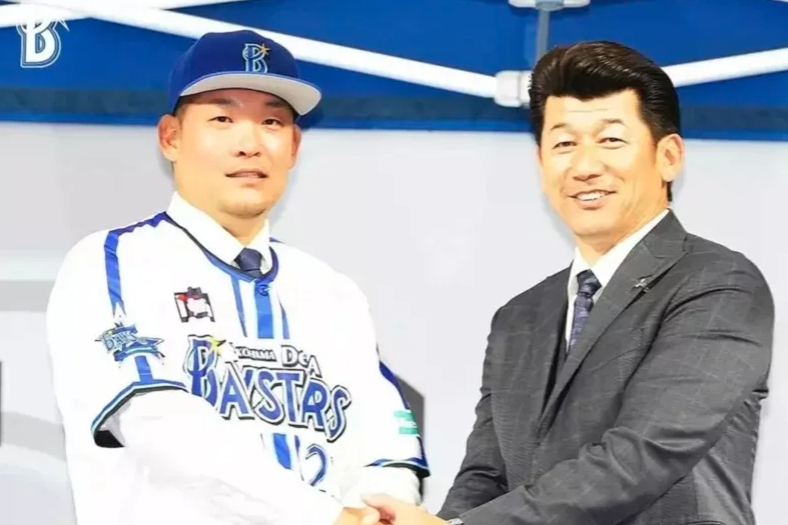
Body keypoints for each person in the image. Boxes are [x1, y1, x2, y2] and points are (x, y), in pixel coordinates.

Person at [363, 41, 774, 525]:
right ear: (541, 164)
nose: (584, 166)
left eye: (611, 140)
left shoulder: (718, 284)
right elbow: (486, 475)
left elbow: (642, 455)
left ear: (668, 156)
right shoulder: (520, 316)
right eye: (564, 144)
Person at [45, 29, 429, 525]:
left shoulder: (331, 291)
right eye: (222, 119)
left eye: (271, 121)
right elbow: (157, 426)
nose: (249, 144)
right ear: (171, 137)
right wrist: (328, 518)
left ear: (293, 145)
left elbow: (388, 442)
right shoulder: (115, 260)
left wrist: (380, 513)